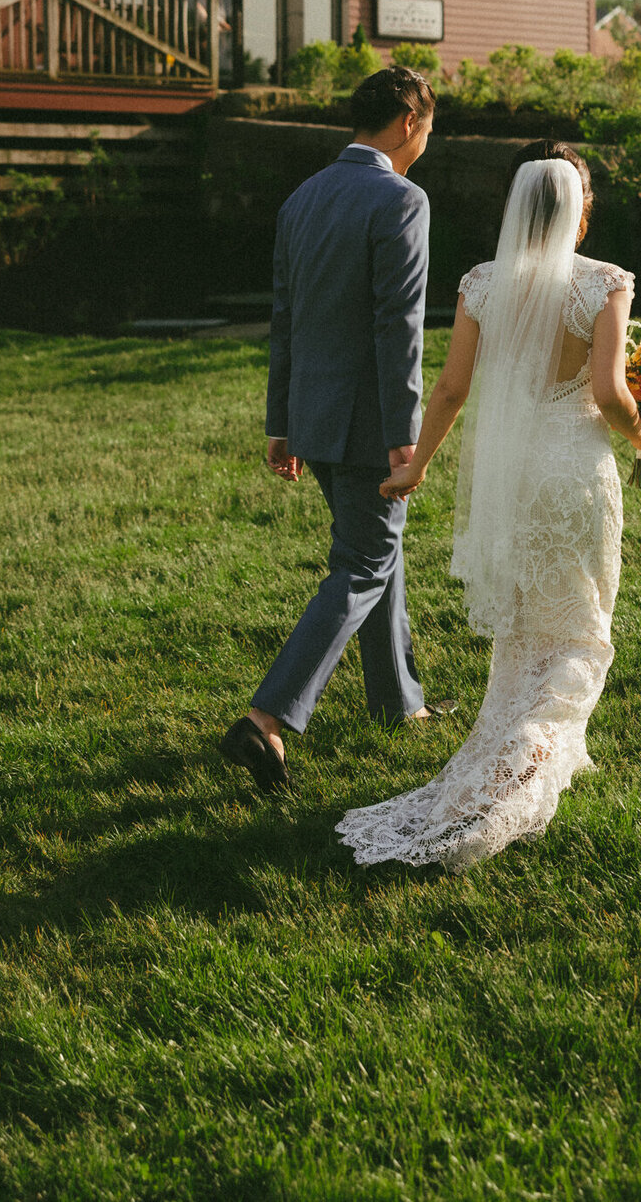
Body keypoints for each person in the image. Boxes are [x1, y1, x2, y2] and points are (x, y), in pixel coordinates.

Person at [335, 140, 641, 869]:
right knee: (580, 626)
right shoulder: (604, 282)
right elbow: (610, 394)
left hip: (511, 476)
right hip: (574, 469)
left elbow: (450, 388)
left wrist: (416, 464)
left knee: (526, 628)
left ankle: (534, 746)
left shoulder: (483, 283)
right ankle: (535, 751)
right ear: (578, 212)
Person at [220, 66, 452, 793]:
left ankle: (398, 700)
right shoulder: (402, 199)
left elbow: (283, 317)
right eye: (430, 126)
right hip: (367, 425)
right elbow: (399, 327)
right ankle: (265, 721)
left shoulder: (301, 198)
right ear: (410, 119)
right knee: (362, 563)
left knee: (375, 548)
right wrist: (403, 432)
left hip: (315, 421)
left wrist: (280, 423)